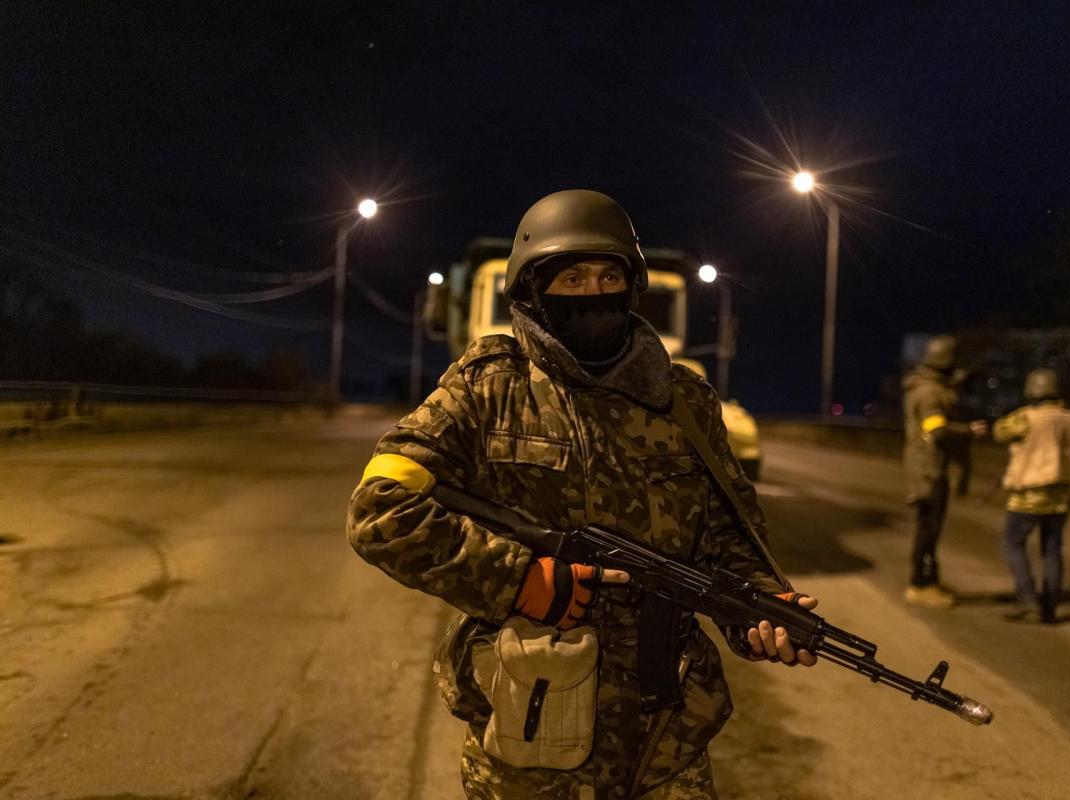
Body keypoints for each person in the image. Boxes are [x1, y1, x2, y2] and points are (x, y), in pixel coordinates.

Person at [347, 189, 816, 800]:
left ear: (632, 285)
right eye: (571, 278)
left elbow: (729, 533)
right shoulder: (489, 390)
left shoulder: (686, 402)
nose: (594, 293)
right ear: (533, 290)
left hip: (666, 742)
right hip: (531, 728)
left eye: (608, 276)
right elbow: (379, 508)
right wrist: (519, 580)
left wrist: (760, 607)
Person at [992, 368, 1070, 624]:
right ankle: (1050, 606)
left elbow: (999, 432)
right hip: (1061, 497)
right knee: (1052, 550)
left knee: (1013, 544)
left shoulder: (1025, 418)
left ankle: (1027, 600)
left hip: (1028, 496)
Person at [901, 335, 988, 608]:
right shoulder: (930, 393)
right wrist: (969, 431)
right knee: (928, 529)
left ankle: (929, 580)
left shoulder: (927, 387)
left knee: (930, 528)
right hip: (930, 470)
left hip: (927, 466)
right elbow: (937, 430)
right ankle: (919, 584)